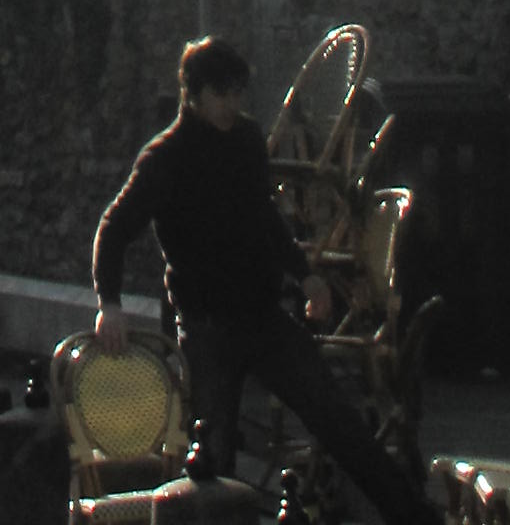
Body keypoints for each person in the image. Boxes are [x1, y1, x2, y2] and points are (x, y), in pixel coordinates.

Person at [91, 36, 436, 525]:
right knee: (213, 458)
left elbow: (265, 219)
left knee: (337, 420)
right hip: (207, 323)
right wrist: (109, 301)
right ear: (195, 94)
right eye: (223, 94)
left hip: (263, 315)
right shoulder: (165, 158)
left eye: (238, 94)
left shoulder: (246, 140)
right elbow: (115, 228)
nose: (233, 105)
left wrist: (307, 277)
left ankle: (412, 516)